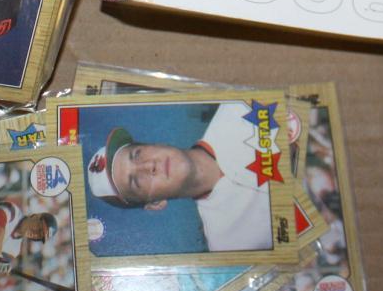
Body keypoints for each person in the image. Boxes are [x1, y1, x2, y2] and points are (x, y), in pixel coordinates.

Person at [86, 102, 275, 252]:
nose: (148, 166)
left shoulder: (239, 108)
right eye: (136, 181)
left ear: (156, 144)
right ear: (155, 203)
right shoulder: (227, 244)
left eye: (137, 154)